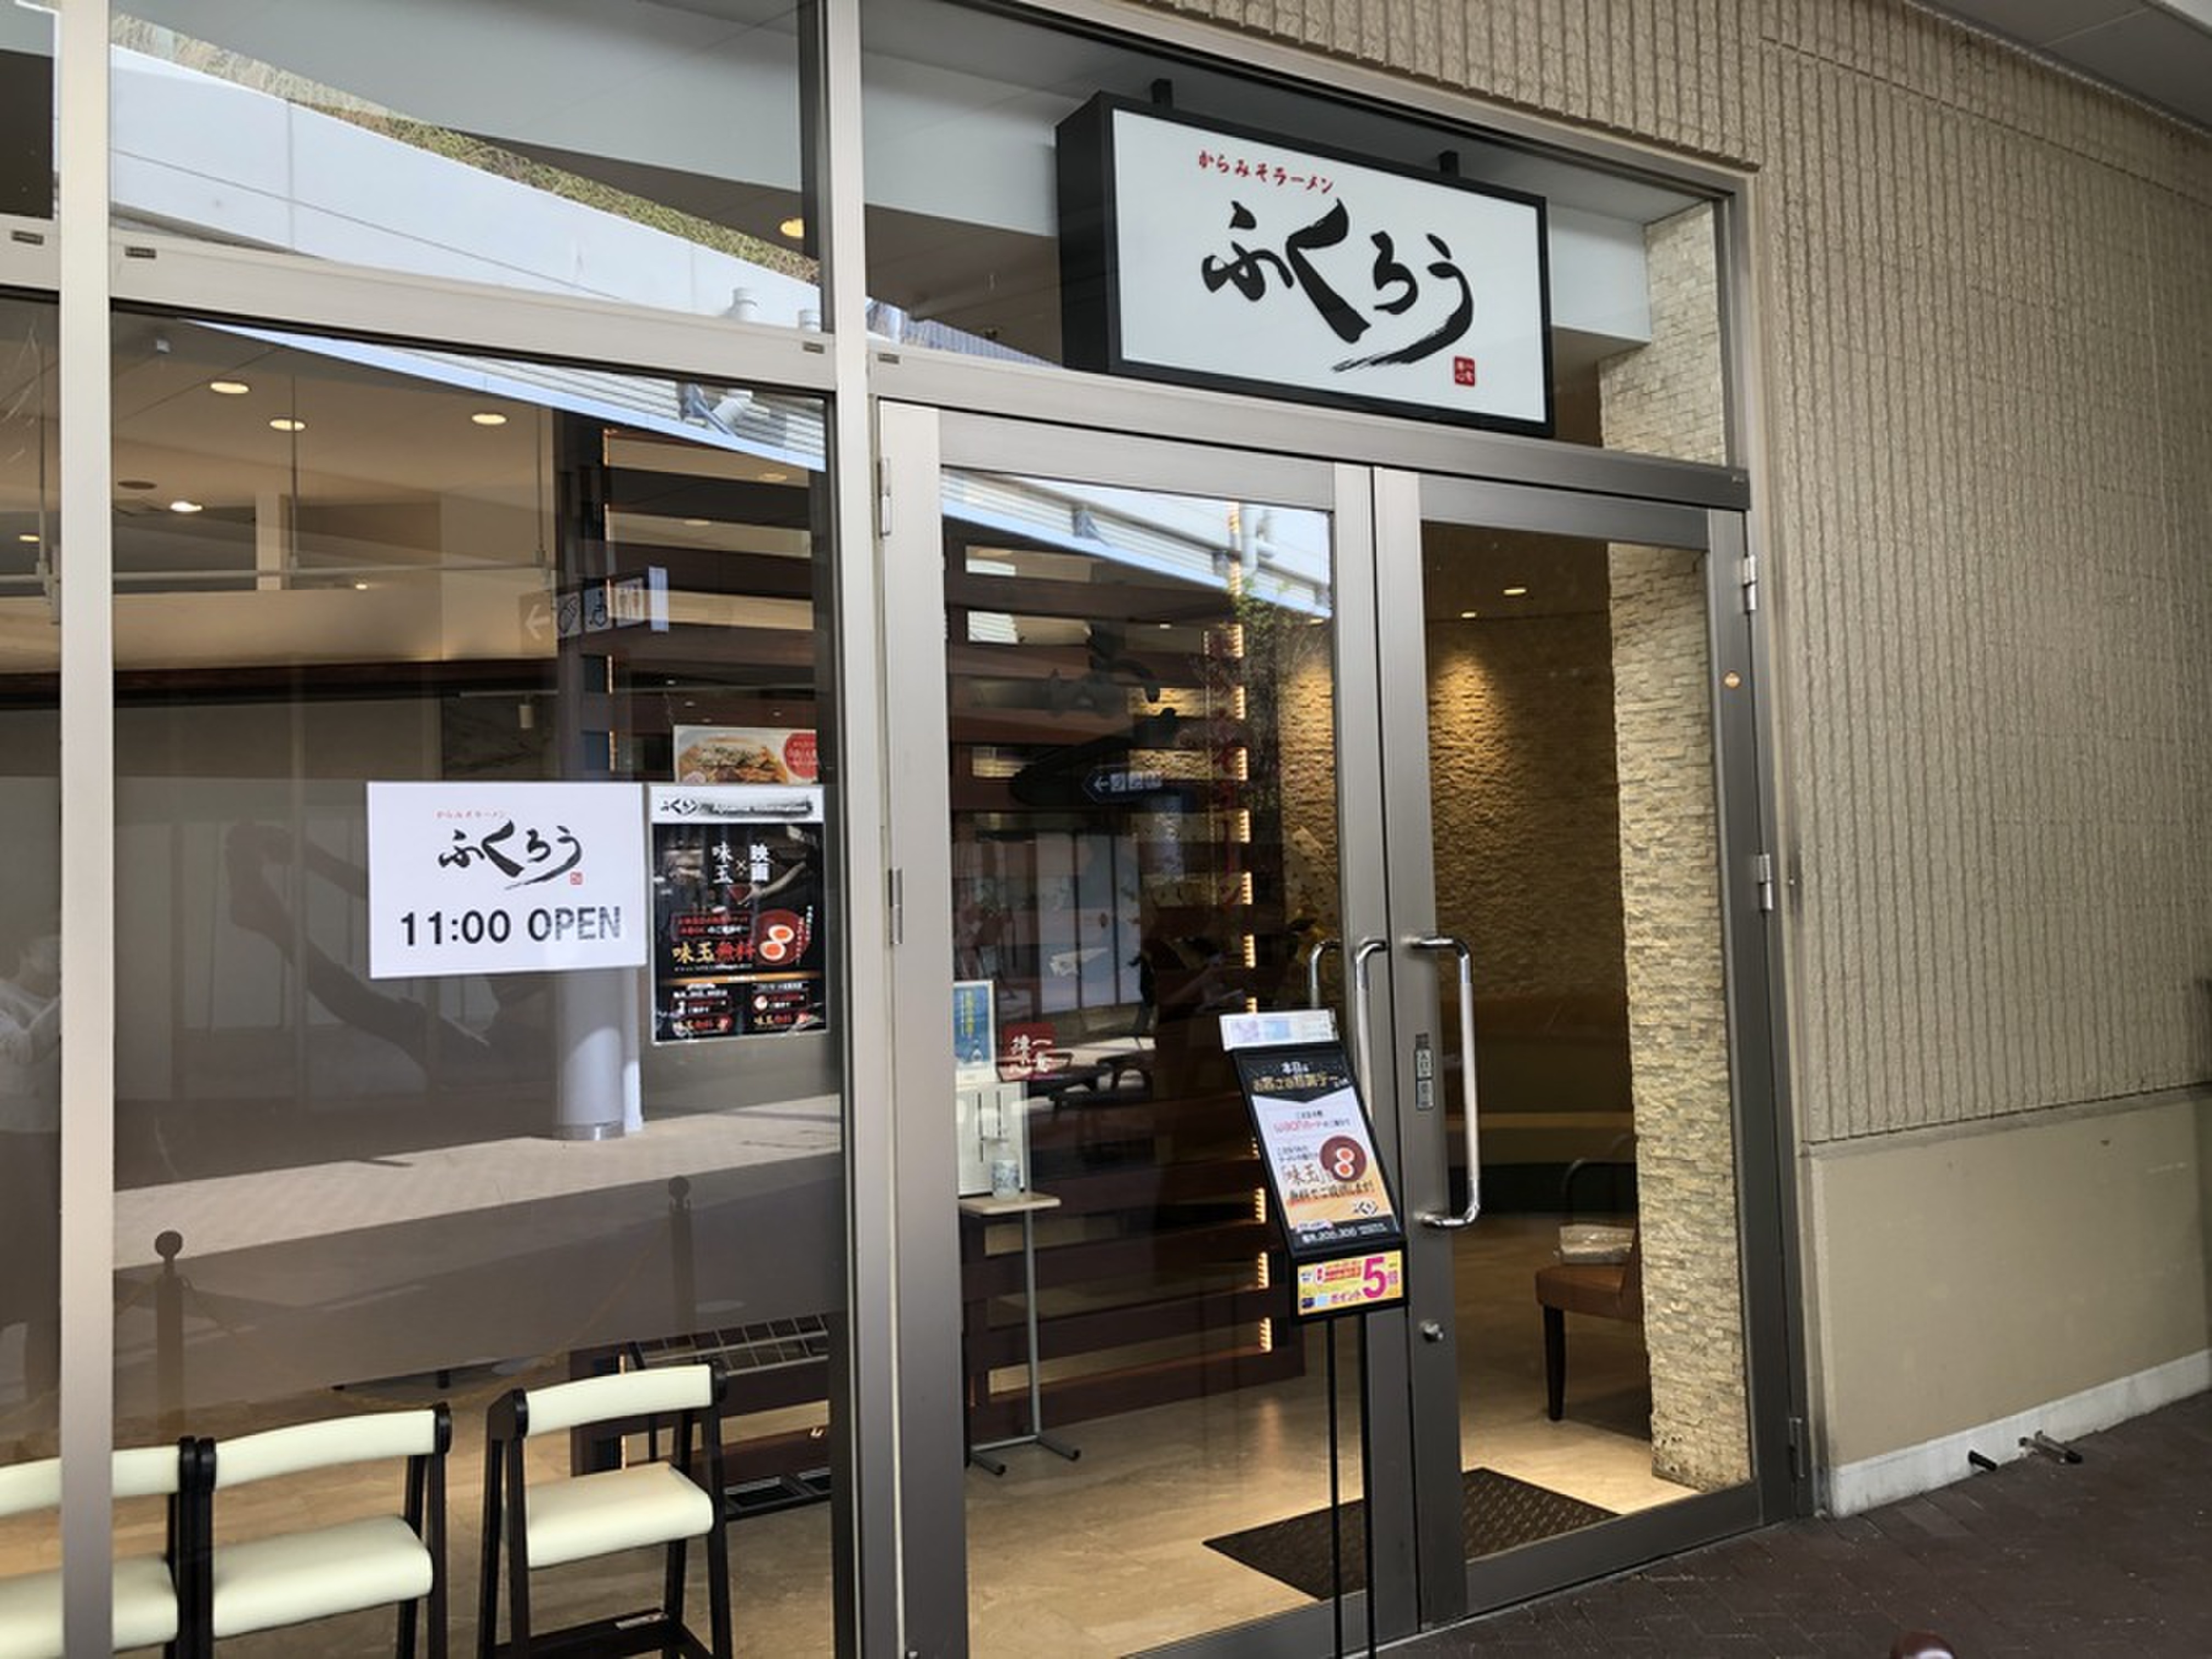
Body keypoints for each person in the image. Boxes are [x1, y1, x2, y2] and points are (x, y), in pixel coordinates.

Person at [0, 930, 61, 1416]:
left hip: (57, 1139)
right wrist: (72, 997)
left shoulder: (59, 1002)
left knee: (50, 1274)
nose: (59, 953)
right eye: (49, 944)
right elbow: (23, 1049)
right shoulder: (4, 997)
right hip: (12, 1143)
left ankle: (46, 1397)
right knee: (15, 1257)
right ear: (23, 949)